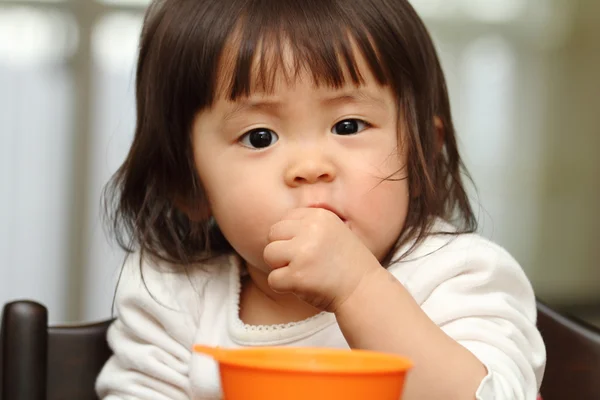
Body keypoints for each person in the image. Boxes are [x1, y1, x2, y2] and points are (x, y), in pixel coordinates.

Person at [95, 0, 546, 398]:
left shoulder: (457, 276)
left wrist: (358, 288)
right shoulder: (176, 292)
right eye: (259, 137)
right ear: (188, 185)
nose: (310, 166)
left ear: (423, 152)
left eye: (348, 126)